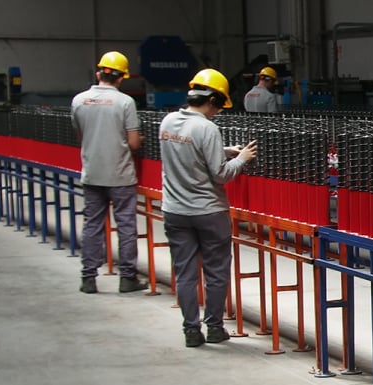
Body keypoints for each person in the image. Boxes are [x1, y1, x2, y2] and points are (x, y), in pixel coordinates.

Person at [158, 69, 258, 348]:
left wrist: (223, 150)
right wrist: (242, 159)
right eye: (218, 106)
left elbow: (186, 151)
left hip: (174, 211)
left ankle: (191, 331)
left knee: (185, 273)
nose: (218, 112)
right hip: (208, 212)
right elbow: (221, 175)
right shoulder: (207, 128)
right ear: (212, 100)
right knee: (216, 272)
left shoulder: (168, 121)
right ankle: (214, 327)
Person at [72, 50, 146, 294]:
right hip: (120, 175)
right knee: (126, 226)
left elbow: (81, 137)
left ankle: (88, 278)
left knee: (92, 225)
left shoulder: (79, 101)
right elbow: (133, 143)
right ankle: (127, 278)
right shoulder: (125, 102)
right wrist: (139, 139)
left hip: (92, 173)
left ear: (98, 74)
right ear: (121, 78)